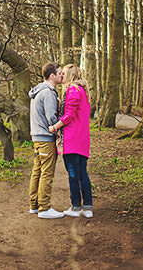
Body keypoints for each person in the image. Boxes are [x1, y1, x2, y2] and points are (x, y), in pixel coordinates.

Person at [49, 64, 93, 218]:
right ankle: (87, 207)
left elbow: (69, 115)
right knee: (82, 173)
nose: (61, 75)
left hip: (73, 138)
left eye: (64, 73)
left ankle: (75, 207)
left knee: (73, 174)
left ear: (70, 75)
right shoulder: (83, 90)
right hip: (82, 138)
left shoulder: (72, 90)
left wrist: (55, 126)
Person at [28, 62, 65, 219]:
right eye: (60, 73)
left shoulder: (38, 91)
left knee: (37, 171)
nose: (62, 75)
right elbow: (51, 117)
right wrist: (59, 125)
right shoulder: (49, 93)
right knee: (46, 173)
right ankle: (44, 208)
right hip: (45, 138)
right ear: (52, 76)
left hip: (37, 137)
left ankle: (34, 205)